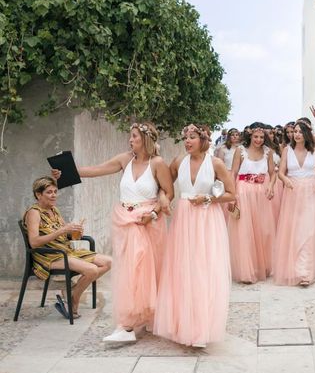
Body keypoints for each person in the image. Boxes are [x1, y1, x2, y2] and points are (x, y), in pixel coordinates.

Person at [54, 122, 173, 341]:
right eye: (130, 136)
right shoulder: (124, 160)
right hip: (125, 222)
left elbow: (168, 191)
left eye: (135, 136)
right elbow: (96, 170)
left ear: (146, 139)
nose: (130, 140)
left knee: (145, 271)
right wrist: (65, 172)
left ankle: (135, 322)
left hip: (147, 224)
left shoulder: (157, 163)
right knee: (130, 272)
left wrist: (154, 213)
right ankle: (129, 323)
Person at [153, 124, 235, 347]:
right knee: (183, 269)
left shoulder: (215, 163)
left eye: (192, 137)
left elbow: (231, 193)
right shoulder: (179, 161)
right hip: (184, 218)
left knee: (204, 269)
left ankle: (201, 328)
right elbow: (165, 185)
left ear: (203, 140)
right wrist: (163, 199)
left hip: (208, 220)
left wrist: (208, 199)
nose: (187, 141)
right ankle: (183, 324)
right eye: (185, 137)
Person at [23, 177, 112, 319]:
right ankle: (73, 301)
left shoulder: (54, 210)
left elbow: (65, 235)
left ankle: (72, 293)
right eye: (49, 192)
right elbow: (34, 242)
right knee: (92, 270)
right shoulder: (34, 213)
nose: (54, 195)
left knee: (108, 262)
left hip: (65, 251)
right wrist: (62, 231)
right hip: (48, 256)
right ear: (38, 195)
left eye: (55, 191)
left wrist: (74, 233)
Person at [273, 121, 315, 286]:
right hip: (293, 193)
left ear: (306, 134)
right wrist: (286, 180)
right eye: (295, 131)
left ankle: (305, 273)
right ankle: (294, 269)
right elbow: (281, 173)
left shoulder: (313, 150)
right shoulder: (287, 150)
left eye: (300, 132)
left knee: (308, 231)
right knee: (295, 232)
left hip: (311, 192)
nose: (296, 134)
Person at [227, 123, 276, 284]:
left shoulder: (268, 152)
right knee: (245, 231)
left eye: (262, 137)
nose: (259, 140)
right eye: (256, 136)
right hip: (244, 192)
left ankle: (264, 266)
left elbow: (272, 173)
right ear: (250, 136)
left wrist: (270, 185)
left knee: (264, 230)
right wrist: (232, 195)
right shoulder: (240, 151)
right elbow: (233, 173)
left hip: (261, 193)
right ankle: (247, 270)